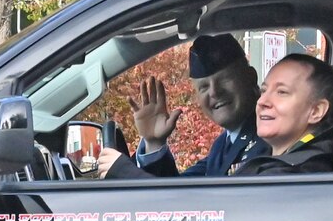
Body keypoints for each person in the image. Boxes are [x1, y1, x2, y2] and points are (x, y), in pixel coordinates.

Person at [98, 33, 266, 179]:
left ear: (251, 78)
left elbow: (215, 205)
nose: (214, 92)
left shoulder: (267, 139)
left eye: (224, 79)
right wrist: (154, 143)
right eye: (204, 87)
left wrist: (124, 173)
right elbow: (180, 192)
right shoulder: (223, 144)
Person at [230, 52, 333, 175]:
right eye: (264, 91)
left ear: (316, 111)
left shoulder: (297, 173)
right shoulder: (271, 157)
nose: (262, 101)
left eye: (281, 92)